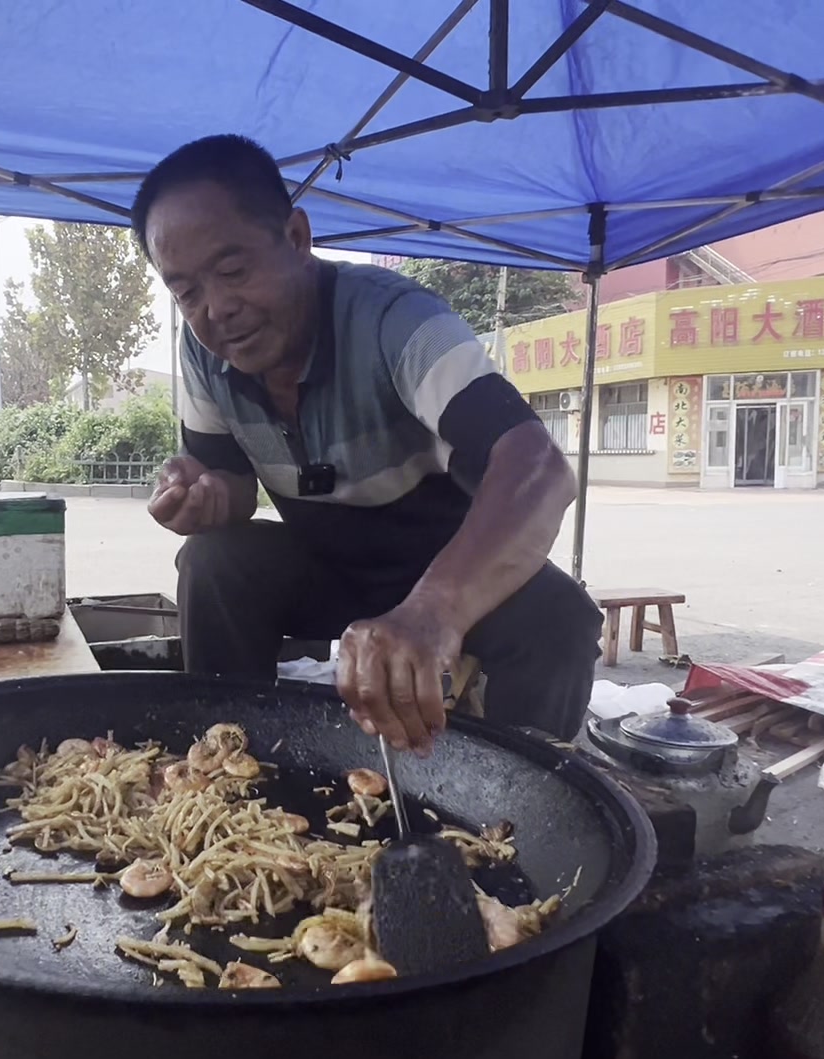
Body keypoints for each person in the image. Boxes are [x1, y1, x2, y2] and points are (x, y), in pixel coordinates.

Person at [132, 134, 601, 754]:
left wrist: (434, 610)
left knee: (559, 616)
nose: (217, 309)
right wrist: (209, 496)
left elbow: (537, 468)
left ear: (297, 238)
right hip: (326, 564)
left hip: (444, 566)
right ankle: (224, 772)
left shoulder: (398, 323)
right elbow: (231, 484)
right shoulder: (203, 352)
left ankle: (517, 809)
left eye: (233, 270)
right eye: (187, 291)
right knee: (212, 562)